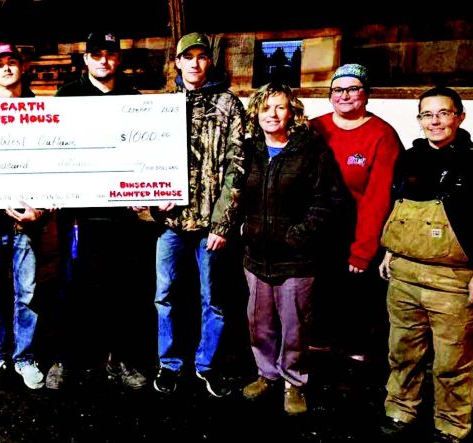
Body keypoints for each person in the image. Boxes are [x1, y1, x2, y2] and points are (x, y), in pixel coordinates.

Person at [378, 86, 473, 443]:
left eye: (443, 113)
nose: (435, 121)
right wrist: (390, 252)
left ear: (460, 116)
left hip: (453, 281)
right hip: (404, 277)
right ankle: (401, 408)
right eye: (427, 115)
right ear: (419, 120)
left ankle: (451, 424)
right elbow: (397, 207)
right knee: (402, 351)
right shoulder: (409, 159)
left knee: (452, 361)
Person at [46, 31, 149, 391]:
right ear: (86, 59)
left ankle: (119, 358)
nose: (104, 60)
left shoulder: (133, 99)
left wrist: (145, 189)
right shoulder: (67, 96)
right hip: (77, 213)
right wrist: (51, 186)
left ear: (118, 59)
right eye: (97, 54)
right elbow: (52, 147)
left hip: (119, 213)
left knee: (121, 288)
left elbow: (144, 153)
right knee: (71, 287)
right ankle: (65, 358)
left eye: (110, 54)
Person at [238, 83, 347, 416]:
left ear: (292, 113)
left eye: (280, 107)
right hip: (256, 256)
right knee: (259, 323)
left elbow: (329, 200)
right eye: (266, 107)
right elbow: (233, 192)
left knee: (295, 324)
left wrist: (299, 235)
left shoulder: (310, 150)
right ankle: (266, 374)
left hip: (296, 257)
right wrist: (243, 228)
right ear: (256, 113)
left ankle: (294, 381)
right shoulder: (249, 149)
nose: (272, 114)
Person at [150, 32, 246, 396]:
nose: (194, 63)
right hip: (170, 224)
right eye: (187, 57)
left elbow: (237, 166)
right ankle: (170, 363)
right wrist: (152, 199)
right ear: (177, 62)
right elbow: (146, 160)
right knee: (165, 296)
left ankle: (207, 364)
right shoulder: (161, 105)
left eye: (201, 56)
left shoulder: (228, 105)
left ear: (209, 61)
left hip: (210, 226)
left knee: (214, 299)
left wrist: (223, 223)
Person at [311, 63, 402, 362]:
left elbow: (378, 198)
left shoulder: (382, 135)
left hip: (357, 232)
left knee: (354, 305)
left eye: (353, 89)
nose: (345, 95)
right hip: (317, 229)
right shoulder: (315, 128)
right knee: (318, 305)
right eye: (338, 89)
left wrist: (363, 250)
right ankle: (317, 358)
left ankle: (354, 366)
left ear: (366, 94)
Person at [0, 43, 49, 390]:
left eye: (12, 62)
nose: (6, 68)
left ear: (23, 68)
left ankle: (25, 357)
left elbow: (52, 165)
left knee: (27, 295)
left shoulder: (40, 110)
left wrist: (41, 210)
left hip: (26, 225)